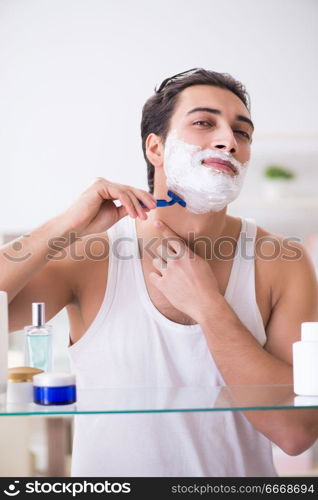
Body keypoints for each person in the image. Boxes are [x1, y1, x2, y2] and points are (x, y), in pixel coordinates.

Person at [2, 68, 318, 477]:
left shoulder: (283, 261)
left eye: (242, 133)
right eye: (204, 123)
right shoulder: (91, 255)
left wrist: (209, 307)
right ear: (155, 147)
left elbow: (295, 433)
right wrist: (64, 226)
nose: (229, 140)